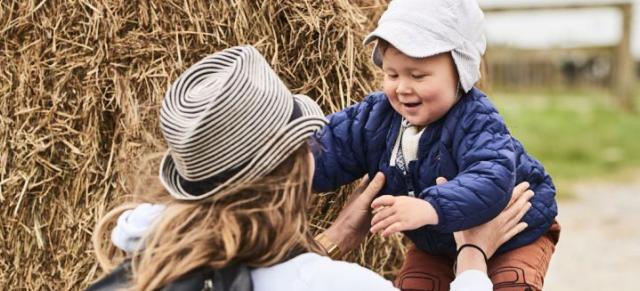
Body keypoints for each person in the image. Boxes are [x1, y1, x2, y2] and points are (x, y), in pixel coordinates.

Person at [87, 46, 534, 291]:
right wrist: (473, 257)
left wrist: (333, 239)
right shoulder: (347, 288)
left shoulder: (139, 261)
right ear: (297, 167)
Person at [311, 0, 560, 290]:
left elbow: (492, 178)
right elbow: (331, 147)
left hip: (513, 233)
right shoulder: (376, 117)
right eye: (392, 74)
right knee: (415, 284)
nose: (402, 87)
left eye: (417, 75)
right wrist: (292, 169)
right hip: (437, 243)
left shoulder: (477, 119)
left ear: (461, 72)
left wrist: (429, 208)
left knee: (510, 283)